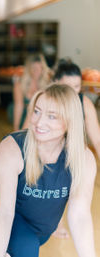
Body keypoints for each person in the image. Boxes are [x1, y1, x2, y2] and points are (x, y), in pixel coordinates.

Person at [0, 84, 97, 257]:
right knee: (26, 247)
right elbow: (4, 211)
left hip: (40, 229)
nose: (39, 122)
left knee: (27, 244)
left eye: (51, 116)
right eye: (37, 111)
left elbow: (80, 216)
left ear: (70, 121)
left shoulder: (83, 159)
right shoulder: (12, 149)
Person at [49, 60, 100, 239]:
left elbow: (97, 137)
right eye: (67, 86)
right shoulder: (46, 100)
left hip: (74, 156)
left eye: (77, 86)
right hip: (48, 155)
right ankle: (56, 222)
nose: (72, 91)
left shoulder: (84, 103)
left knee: (78, 195)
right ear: (55, 83)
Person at [9, 54, 50, 130]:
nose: (37, 71)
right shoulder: (19, 84)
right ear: (28, 69)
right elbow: (18, 106)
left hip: (39, 116)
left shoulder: (46, 85)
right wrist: (16, 128)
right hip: (22, 115)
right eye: (34, 68)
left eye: (39, 68)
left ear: (43, 69)